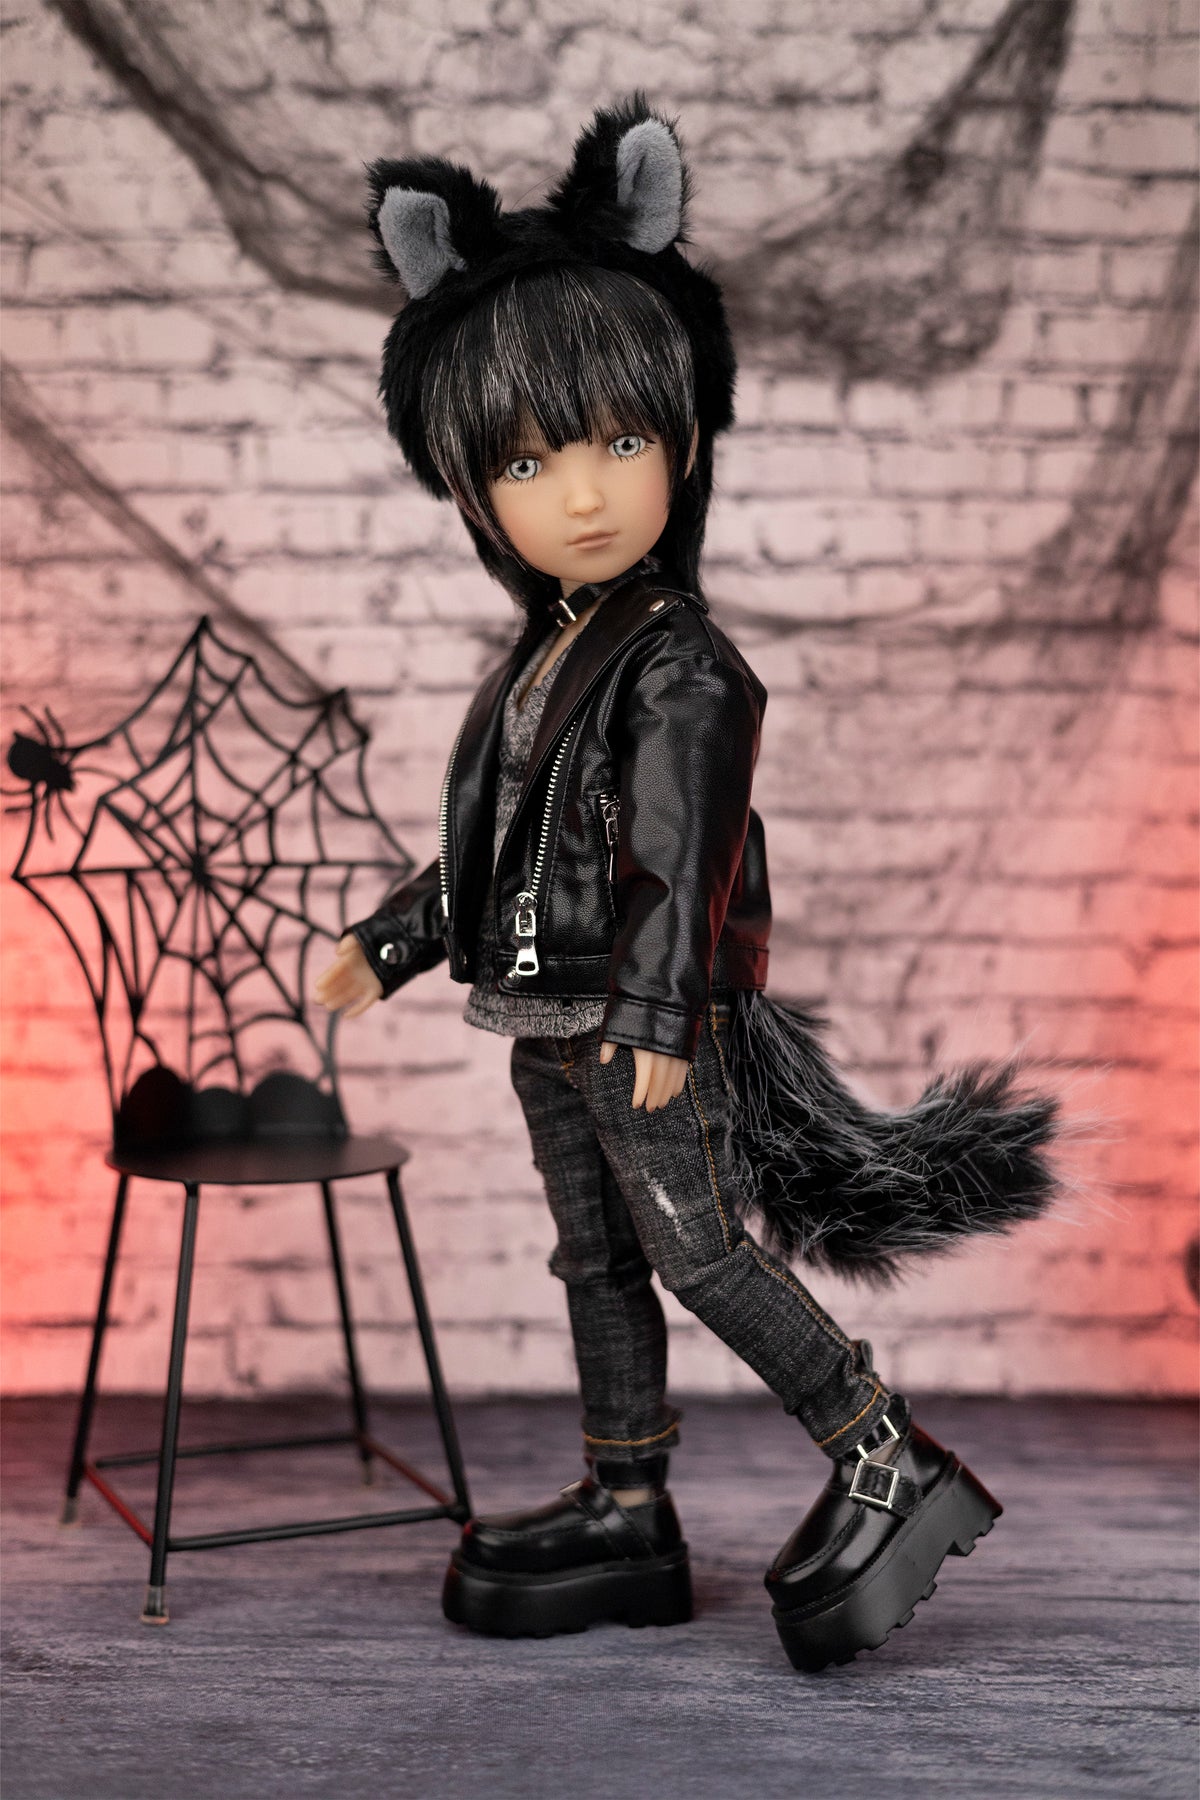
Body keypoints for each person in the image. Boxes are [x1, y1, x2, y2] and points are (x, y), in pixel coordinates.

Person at [314, 95, 1060, 1671]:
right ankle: (626, 1503)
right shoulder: (543, 657)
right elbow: (499, 843)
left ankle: (885, 1455)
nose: (582, 494)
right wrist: (396, 939)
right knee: (594, 1257)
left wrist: (662, 1009)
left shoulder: (678, 666)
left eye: (621, 442)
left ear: (687, 441)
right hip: (548, 1020)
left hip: (638, 1019)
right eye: (529, 460)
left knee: (700, 1246)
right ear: (473, 490)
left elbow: (684, 848)